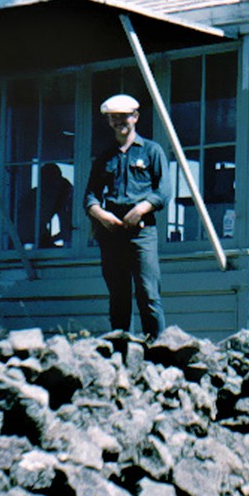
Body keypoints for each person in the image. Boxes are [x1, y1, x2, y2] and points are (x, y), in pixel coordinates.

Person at [83, 94, 171, 338]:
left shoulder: (152, 151)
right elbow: (89, 197)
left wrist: (141, 209)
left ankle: (157, 349)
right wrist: (101, 215)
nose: (119, 122)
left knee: (148, 292)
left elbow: (164, 192)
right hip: (112, 233)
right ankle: (122, 350)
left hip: (141, 232)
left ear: (136, 117)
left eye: (124, 116)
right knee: (118, 295)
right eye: (114, 118)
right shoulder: (104, 157)